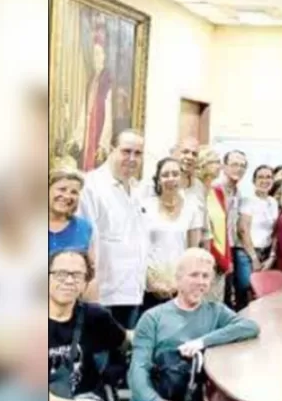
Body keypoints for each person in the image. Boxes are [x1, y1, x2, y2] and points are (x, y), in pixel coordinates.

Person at [128, 248, 259, 401]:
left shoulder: (216, 312)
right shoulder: (153, 318)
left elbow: (250, 327)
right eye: (194, 275)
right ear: (178, 279)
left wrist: (203, 341)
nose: (201, 282)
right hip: (158, 395)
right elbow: (136, 373)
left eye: (206, 276)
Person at [48, 249, 128, 401]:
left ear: (85, 282)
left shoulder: (96, 317)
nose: (68, 281)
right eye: (60, 273)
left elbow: (123, 344)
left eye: (77, 275)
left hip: (82, 400)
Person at [77, 129, 147, 329]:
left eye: (138, 153)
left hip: (133, 291)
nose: (132, 158)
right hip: (103, 293)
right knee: (100, 358)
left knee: (125, 357)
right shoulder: (91, 186)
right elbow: (86, 239)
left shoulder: (137, 188)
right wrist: (90, 286)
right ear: (111, 150)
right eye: (126, 151)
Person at [142, 157, 204, 312]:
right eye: (165, 175)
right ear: (158, 180)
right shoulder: (145, 207)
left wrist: (182, 283)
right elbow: (138, 248)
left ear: (182, 178)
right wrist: (151, 281)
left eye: (175, 174)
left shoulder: (193, 208)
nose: (170, 179)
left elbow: (193, 252)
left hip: (179, 284)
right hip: (149, 284)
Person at [236, 165, 278, 310]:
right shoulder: (248, 200)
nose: (265, 180)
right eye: (261, 177)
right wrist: (254, 258)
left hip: (266, 253)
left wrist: (272, 256)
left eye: (269, 177)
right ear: (254, 181)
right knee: (246, 289)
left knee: (262, 294)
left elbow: (275, 231)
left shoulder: (273, 202)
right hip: (247, 253)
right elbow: (243, 230)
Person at [197, 147, 231, 304]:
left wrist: (226, 258)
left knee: (216, 304)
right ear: (203, 164)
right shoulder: (197, 190)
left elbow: (223, 228)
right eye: (216, 162)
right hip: (205, 256)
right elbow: (204, 228)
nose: (220, 166)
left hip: (221, 257)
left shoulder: (217, 192)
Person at [220, 150, 249, 309]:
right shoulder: (216, 188)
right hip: (217, 248)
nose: (238, 169)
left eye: (242, 166)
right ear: (224, 167)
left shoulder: (238, 192)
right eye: (234, 164)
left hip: (231, 246)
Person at [48, 168, 95, 264]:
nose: (67, 196)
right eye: (62, 189)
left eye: (74, 192)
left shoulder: (84, 228)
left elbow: (91, 270)